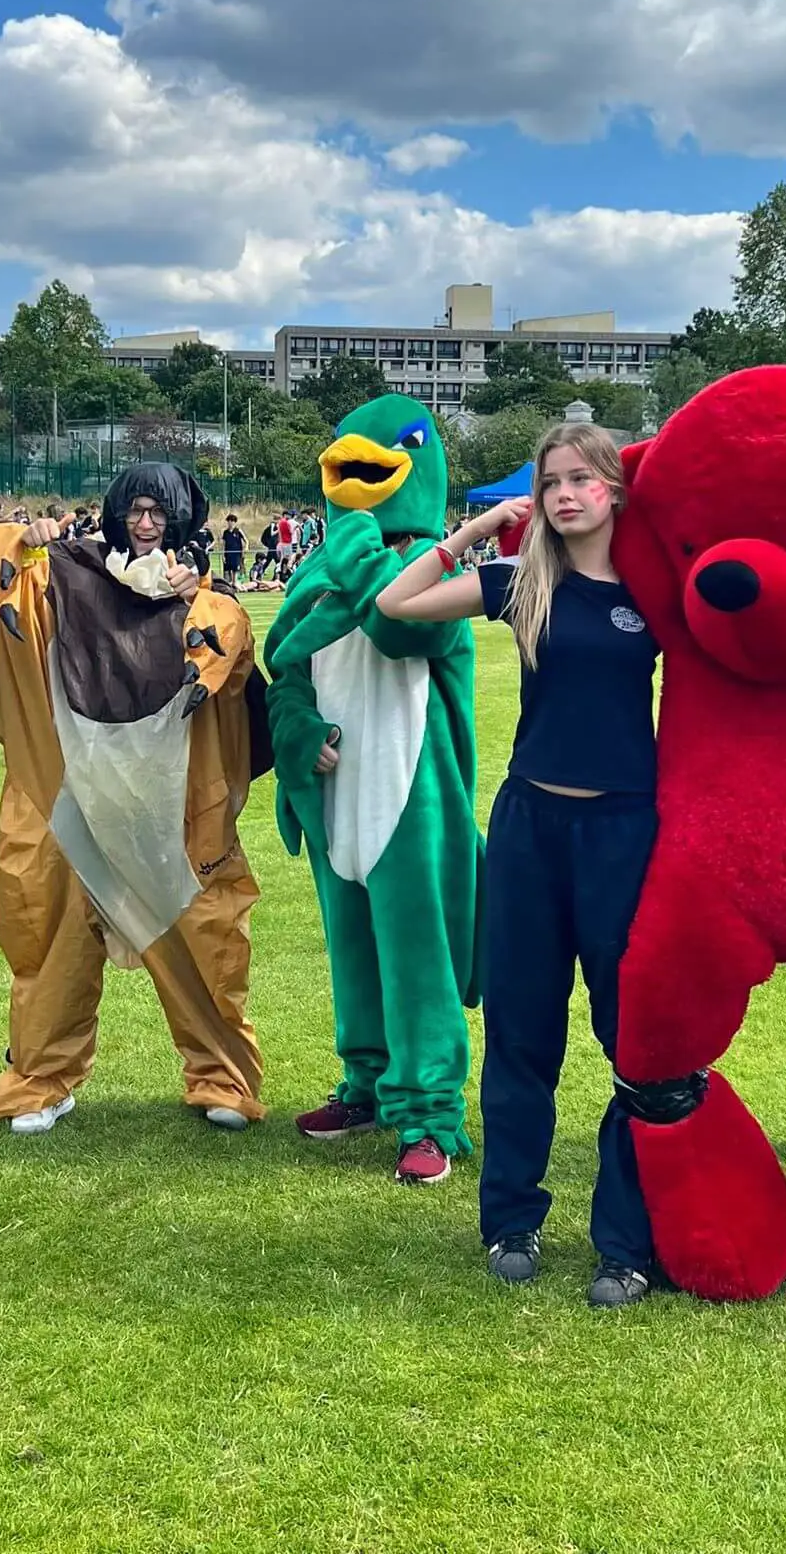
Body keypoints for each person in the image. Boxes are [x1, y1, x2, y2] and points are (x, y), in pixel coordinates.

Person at [376, 421, 662, 1305]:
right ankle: (511, 1219)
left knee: (635, 1044)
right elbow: (397, 605)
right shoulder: (522, 582)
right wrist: (469, 532)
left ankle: (625, 1240)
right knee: (522, 1037)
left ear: (615, 489)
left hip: (627, 832)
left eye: (582, 480)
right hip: (532, 829)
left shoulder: (658, 588)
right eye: (552, 484)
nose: (566, 495)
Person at [0, 464, 267, 1133]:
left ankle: (221, 1076)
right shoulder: (61, 577)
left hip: (163, 808)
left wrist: (196, 597)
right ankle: (40, 1078)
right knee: (50, 936)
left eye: (160, 515)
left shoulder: (206, 597)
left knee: (200, 936)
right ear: (117, 513)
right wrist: (23, 537)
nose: (147, 525)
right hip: (72, 800)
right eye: (137, 510)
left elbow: (232, 653)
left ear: (180, 523)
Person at [266, 395, 484, 1187]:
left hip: (410, 793)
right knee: (352, 947)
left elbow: (399, 626)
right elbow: (283, 666)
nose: (356, 482)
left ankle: (429, 1112)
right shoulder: (323, 568)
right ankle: (364, 1081)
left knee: (416, 954)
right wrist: (298, 735)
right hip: (335, 795)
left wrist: (350, 528)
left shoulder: (440, 568)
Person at [221, 513, 247, 585]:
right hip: (228, 554)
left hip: (237, 554)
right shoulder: (225, 532)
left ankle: (235, 583)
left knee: (235, 569)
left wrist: (246, 548)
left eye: (232, 521)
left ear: (235, 522)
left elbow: (246, 540)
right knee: (227, 570)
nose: (231, 523)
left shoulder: (238, 531)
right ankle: (228, 584)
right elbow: (223, 544)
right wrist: (223, 555)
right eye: (229, 521)